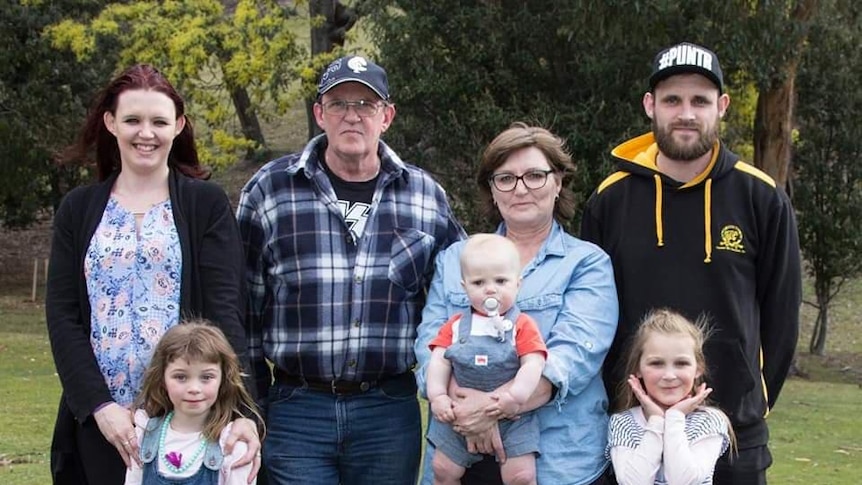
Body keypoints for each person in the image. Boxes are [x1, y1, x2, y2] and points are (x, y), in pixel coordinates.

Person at [236, 55, 465, 484]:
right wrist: (252, 404)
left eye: (366, 104)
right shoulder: (270, 190)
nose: (352, 116)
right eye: (339, 103)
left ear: (387, 116)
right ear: (319, 114)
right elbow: (243, 307)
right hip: (296, 408)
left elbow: (456, 300)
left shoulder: (425, 196)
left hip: (387, 409)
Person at [580, 42, 802, 484]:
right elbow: (593, 315)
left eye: (700, 100)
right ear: (650, 106)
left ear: (721, 107)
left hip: (733, 432)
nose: (686, 113)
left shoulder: (760, 196)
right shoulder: (610, 199)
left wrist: (752, 401)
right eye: (672, 100)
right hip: (632, 433)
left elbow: (782, 314)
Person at [46, 63, 261, 485]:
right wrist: (98, 406)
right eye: (133, 120)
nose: (146, 133)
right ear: (111, 123)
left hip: (187, 419)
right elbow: (63, 315)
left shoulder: (205, 205)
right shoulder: (78, 209)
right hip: (106, 423)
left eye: (159, 121)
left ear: (178, 126)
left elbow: (226, 313)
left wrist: (244, 412)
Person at [416, 122, 619, 485]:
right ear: (492, 191)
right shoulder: (454, 259)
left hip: (555, 460)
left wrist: (490, 410)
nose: (520, 188)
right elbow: (430, 343)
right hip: (458, 454)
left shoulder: (587, 263)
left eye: (535, 176)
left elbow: (571, 359)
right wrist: (461, 410)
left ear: (558, 183)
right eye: (505, 178)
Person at [426, 233, 547, 485]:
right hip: (458, 413)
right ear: (464, 287)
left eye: (501, 281)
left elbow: (533, 363)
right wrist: (438, 396)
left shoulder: (521, 325)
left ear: (518, 283)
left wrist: (515, 396)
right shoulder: (456, 326)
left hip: (512, 415)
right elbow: (439, 360)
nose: (490, 289)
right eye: (479, 282)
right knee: (442, 469)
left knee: (521, 475)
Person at [125, 320, 264, 484]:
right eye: (181, 377)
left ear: (222, 380)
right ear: (162, 379)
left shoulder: (232, 445)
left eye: (206, 377)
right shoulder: (143, 436)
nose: (194, 388)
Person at [607, 308, 733, 485]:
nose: (669, 375)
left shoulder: (708, 421)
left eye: (681, 363)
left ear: (698, 368)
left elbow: (684, 480)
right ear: (638, 369)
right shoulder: (624, 423)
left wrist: (675, 417)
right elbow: (633, 483)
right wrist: (656, 421)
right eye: (656, 363)